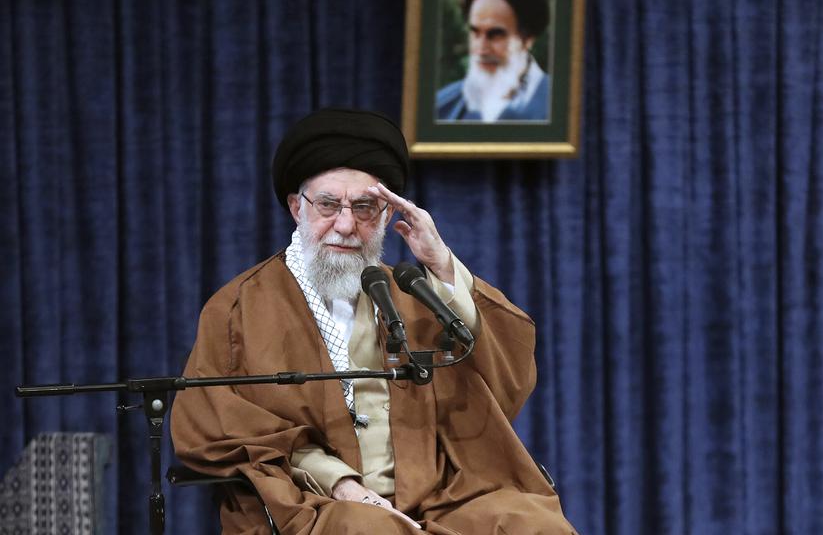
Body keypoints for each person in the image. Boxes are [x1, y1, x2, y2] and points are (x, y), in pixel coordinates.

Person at [170, 108, 576, 534]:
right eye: (328, 204)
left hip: (442, 498)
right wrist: (344, 486)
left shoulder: (412, 290)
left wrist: (442, 266)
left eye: (364, 207)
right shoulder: (241, 307)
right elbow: (216, 425)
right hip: (317, 504)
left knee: (533, 525)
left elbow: (506, 380)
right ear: (296, 207)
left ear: (386, 216)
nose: (345, 225)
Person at [435, 0, 551, 122]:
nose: (481, 48)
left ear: (527, 39)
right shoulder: (442, 107)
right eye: (475, 32)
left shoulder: (559, 107)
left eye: (495, 34)